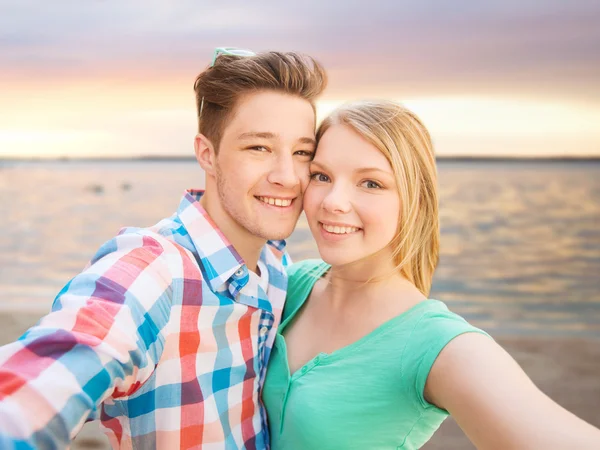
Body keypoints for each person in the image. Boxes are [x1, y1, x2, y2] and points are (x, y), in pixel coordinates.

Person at [0, 48, 326, 449]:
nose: (287, 176)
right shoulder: (155, 271)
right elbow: (46, 376)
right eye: (258, 147)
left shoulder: (276, 265)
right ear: (207, 154)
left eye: (302, 153)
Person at [262, 100, 600, 449]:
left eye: (371, 183)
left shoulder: (437, 345)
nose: (333, 201)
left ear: (415, 201)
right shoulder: (287, 284)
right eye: (322, 176)